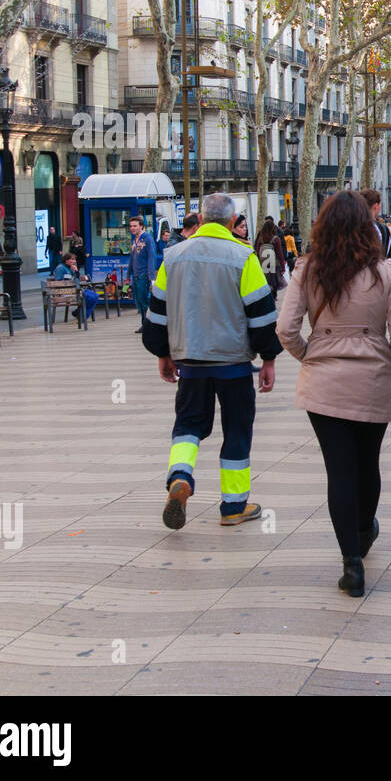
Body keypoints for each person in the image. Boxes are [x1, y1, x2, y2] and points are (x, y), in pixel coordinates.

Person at [277, 192, 391, 597]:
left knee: (339, 470)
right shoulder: (385, 272)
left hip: (323, 382)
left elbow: (285, 329)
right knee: (368, 463)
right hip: (372, 377)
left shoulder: (307, 269)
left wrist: (311, 356)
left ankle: (351, 564)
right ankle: (364, 528)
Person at [142, 193, 281, 529]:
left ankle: (180, 475)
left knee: (188, 425)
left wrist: (162, 352)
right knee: (236, 429)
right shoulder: (242, 256)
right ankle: (233, 506)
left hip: (190, 362)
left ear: (200, 220)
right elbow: (261, 315)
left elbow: (157, 313)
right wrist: (269, 358)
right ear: (233, 223)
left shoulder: (172, 257)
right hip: (232, 364)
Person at [128, 215, 158, 333]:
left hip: (143, 274)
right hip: (135, 274)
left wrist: (151, 276)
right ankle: (144, 323)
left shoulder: (147, 238)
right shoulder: (134, 240)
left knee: (143, 300)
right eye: (131, 226)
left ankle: (148, 325)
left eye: (135, 226)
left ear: (141, 226)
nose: (132, 228)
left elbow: (152, 257)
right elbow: (132, 258)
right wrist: (128, 274)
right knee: (138, 300)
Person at [51, 252, 100, 321]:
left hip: (74, 290)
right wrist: (75, 273)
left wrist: (77, 272)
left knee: (95, 296)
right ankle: (81, 316)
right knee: (90, 297)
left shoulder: (70, 268)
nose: (74, 261)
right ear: (66, 260)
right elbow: (64, 282)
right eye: (72, 259)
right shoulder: (61, 268)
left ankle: (77, 312)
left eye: (74, 259)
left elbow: (76, 280)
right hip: (66, 292)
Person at [254, 217, 287, 299]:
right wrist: (283, 267)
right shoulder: (276, 239)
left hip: (263, 265)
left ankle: (268, 297)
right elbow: (280, 254)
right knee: (274, 283)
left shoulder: (260, 239)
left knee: (265, 282)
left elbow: (257, 252)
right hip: (274, 266)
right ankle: (273, 296)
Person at [359, 189, 391, 257]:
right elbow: (388, 255)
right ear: (376, 206)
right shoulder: (383, 230)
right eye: (380, 204)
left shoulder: (351, 226)